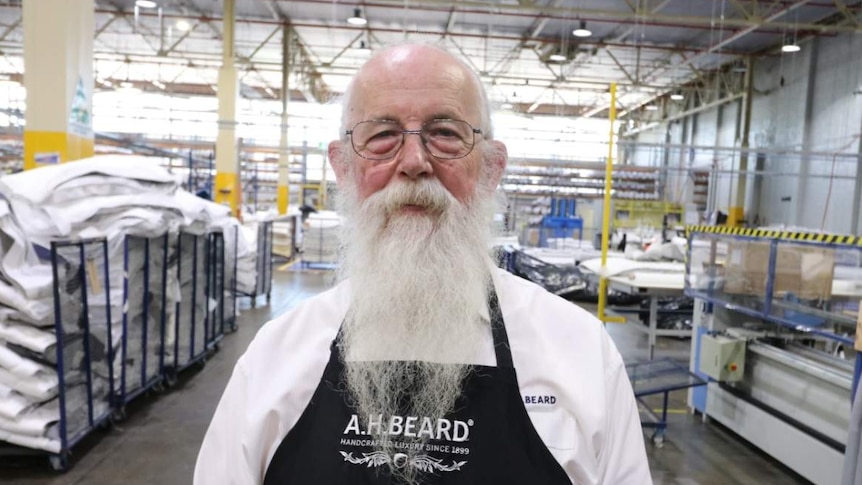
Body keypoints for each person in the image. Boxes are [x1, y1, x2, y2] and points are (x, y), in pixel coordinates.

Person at [194, 42, 652, 485]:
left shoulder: (579, 352)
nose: (414, 163)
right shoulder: (276, 356)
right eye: (382, 136)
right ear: (343, 166)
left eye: (446, 134)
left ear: (491, 168)